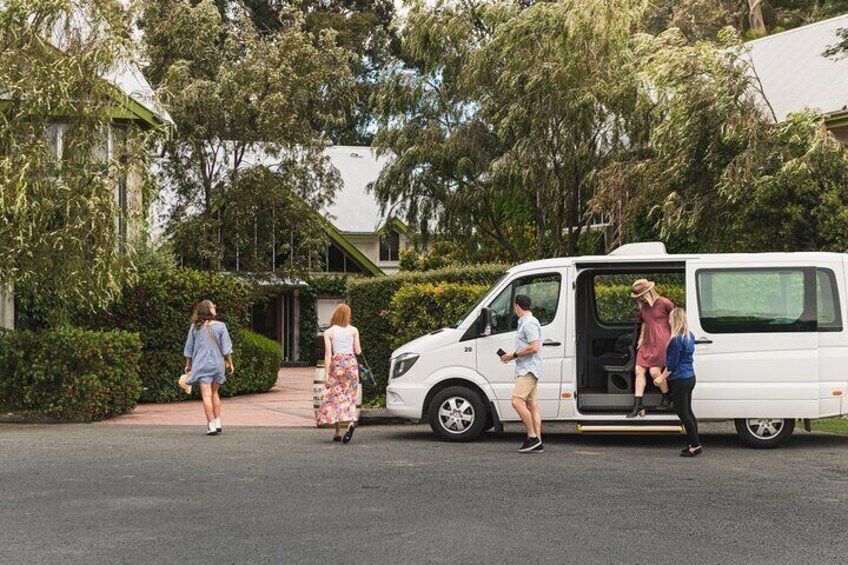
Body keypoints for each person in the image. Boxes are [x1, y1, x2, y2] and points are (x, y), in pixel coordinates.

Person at [655, 307, 702, 457]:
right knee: (688, 411)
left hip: (680, 379)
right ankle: (694, 443)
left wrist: (661, 378)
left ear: (673, 320)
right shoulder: (689, 336)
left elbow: (672, 364)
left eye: (669, 318)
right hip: (690, 377)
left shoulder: (676, 340)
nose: (668, 320)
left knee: (683, 413)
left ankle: (695, 445)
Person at [183, 300, 234, 436]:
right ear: (208, 310)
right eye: (213, 306)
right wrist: (230, 362)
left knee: (206, 395)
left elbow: (189, 348)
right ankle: (217, 422)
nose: (215, 308)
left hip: (201, 364)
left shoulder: (195, 327)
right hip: (218, 364)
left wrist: (188, 365)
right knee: (215, 393)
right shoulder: (221, 326)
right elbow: (226, 348)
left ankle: (210, 425)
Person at [500, 294, 543, 453]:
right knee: (532, 405)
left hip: (528, 369)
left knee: (516, 402)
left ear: (517, 306)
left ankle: (532, 438)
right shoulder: (526, 322)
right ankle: (538, 441)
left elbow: (534, 347)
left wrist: (514, 355)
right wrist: (512, 355)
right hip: (529, 367)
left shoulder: (529, 323)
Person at [627, 279, 675, 418]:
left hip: (662, 341)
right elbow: (645, 323)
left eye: (641, 295)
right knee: (638, 370)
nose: (640, 298)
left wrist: (675, 337)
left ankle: (667, 396)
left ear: (648, 292)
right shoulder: (644, 308)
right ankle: (638, 405)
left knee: (654, 372)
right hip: (647, 342)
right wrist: (641, 337)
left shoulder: (664, 302)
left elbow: (677, 318)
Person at [317, 304, 362, 444]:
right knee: (349, 396)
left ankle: (337, 432)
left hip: (337, 365)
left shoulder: (329, 332)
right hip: (351, 365)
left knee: (336, 397)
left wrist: (326, 374)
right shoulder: (354, 330)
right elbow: (358, 351)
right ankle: (350, 423)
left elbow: (328, 354)